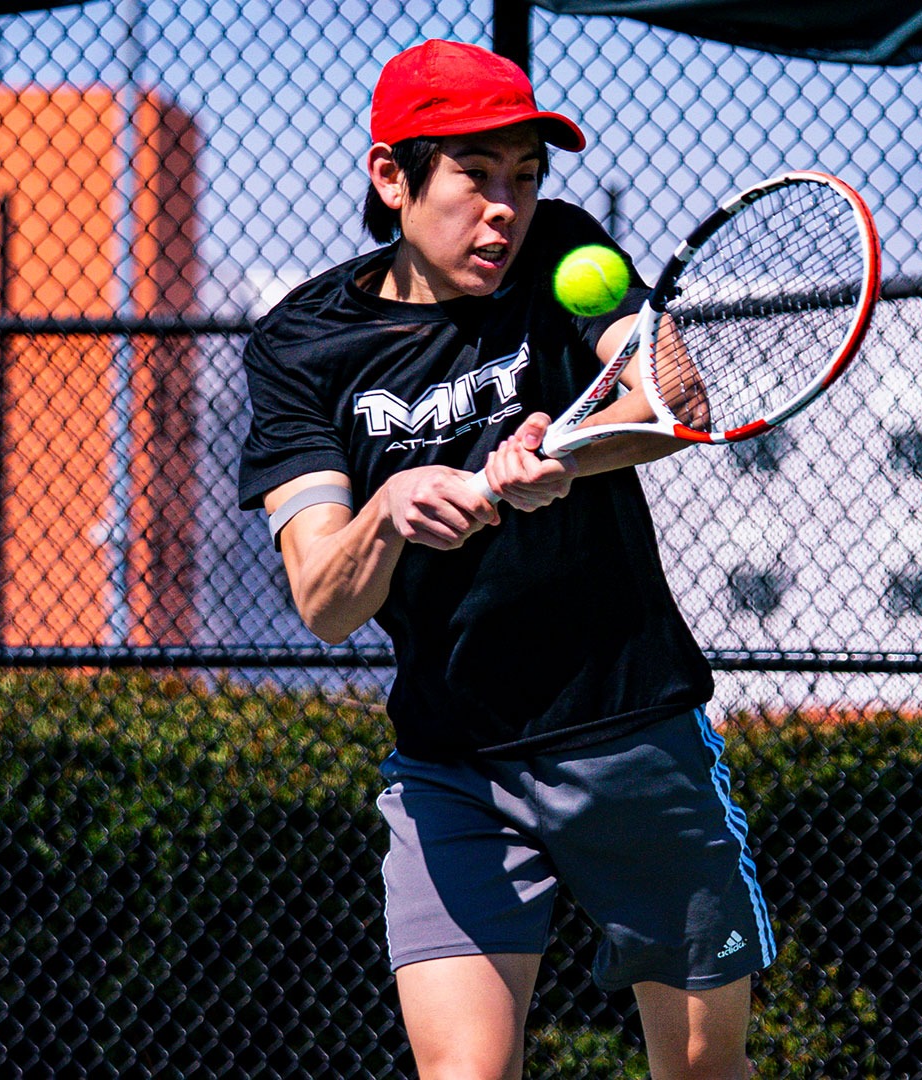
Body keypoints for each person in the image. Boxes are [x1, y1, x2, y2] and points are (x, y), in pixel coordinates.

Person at [236, 38, 773, 1079]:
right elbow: (324, 600)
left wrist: (563, 454)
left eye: (524, 178)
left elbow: (673, 398)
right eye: (475, 178)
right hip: (454, 766)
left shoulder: (564, 256)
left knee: (704, 1071)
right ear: (392, 178)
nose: (506, 208)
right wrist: (388, 509)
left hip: (628, 735)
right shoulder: (300, 346)